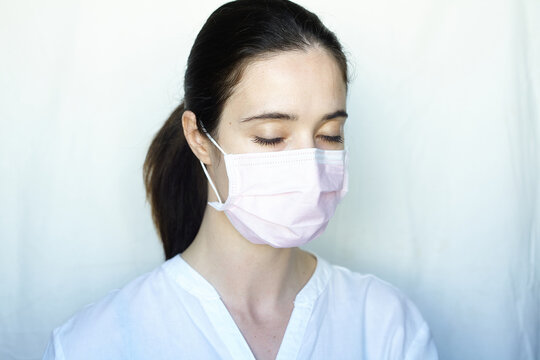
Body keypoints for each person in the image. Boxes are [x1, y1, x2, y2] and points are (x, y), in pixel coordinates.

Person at [43, 0, 438, 359]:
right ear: (199, 138)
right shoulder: (95, 343)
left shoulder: (386, 326)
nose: (310, 169)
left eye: (329, 134)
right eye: (272, 137)